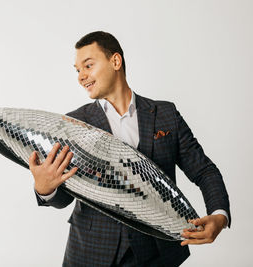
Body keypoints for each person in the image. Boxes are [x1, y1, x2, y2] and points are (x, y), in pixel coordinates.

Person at [29, 31, 230, 267]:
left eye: (88, 65)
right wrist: (45, 190)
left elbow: (204, 170)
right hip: (92, 253)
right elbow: (64, 196)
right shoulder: (73, 124)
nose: (81, 76)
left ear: (115, 61)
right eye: (77, 70)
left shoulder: (165, 114)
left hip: (157, 252)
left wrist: (219, 215)